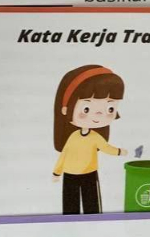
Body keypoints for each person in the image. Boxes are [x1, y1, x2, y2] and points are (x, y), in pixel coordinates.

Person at [52, 65, 128, 214]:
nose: (98, 115)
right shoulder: (72, 137)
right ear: (66, 109)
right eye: (86, 109)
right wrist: (57, 172)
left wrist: (119, 152)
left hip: (89, 173)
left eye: (110, 108)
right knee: (70, 207)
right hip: (70, 174)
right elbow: (64, 154)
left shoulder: (95, 137)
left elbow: (106, 148)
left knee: (92, 206)